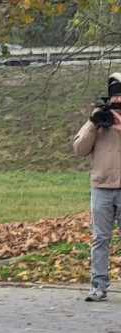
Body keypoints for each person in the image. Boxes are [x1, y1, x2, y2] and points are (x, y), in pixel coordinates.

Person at [72, 72, 121, 302]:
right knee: (100, 239)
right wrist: (94, 123)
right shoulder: (99, 119)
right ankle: (98, 285)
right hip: (102, 187)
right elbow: (79, 149)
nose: (117, 102)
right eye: (114, 98)